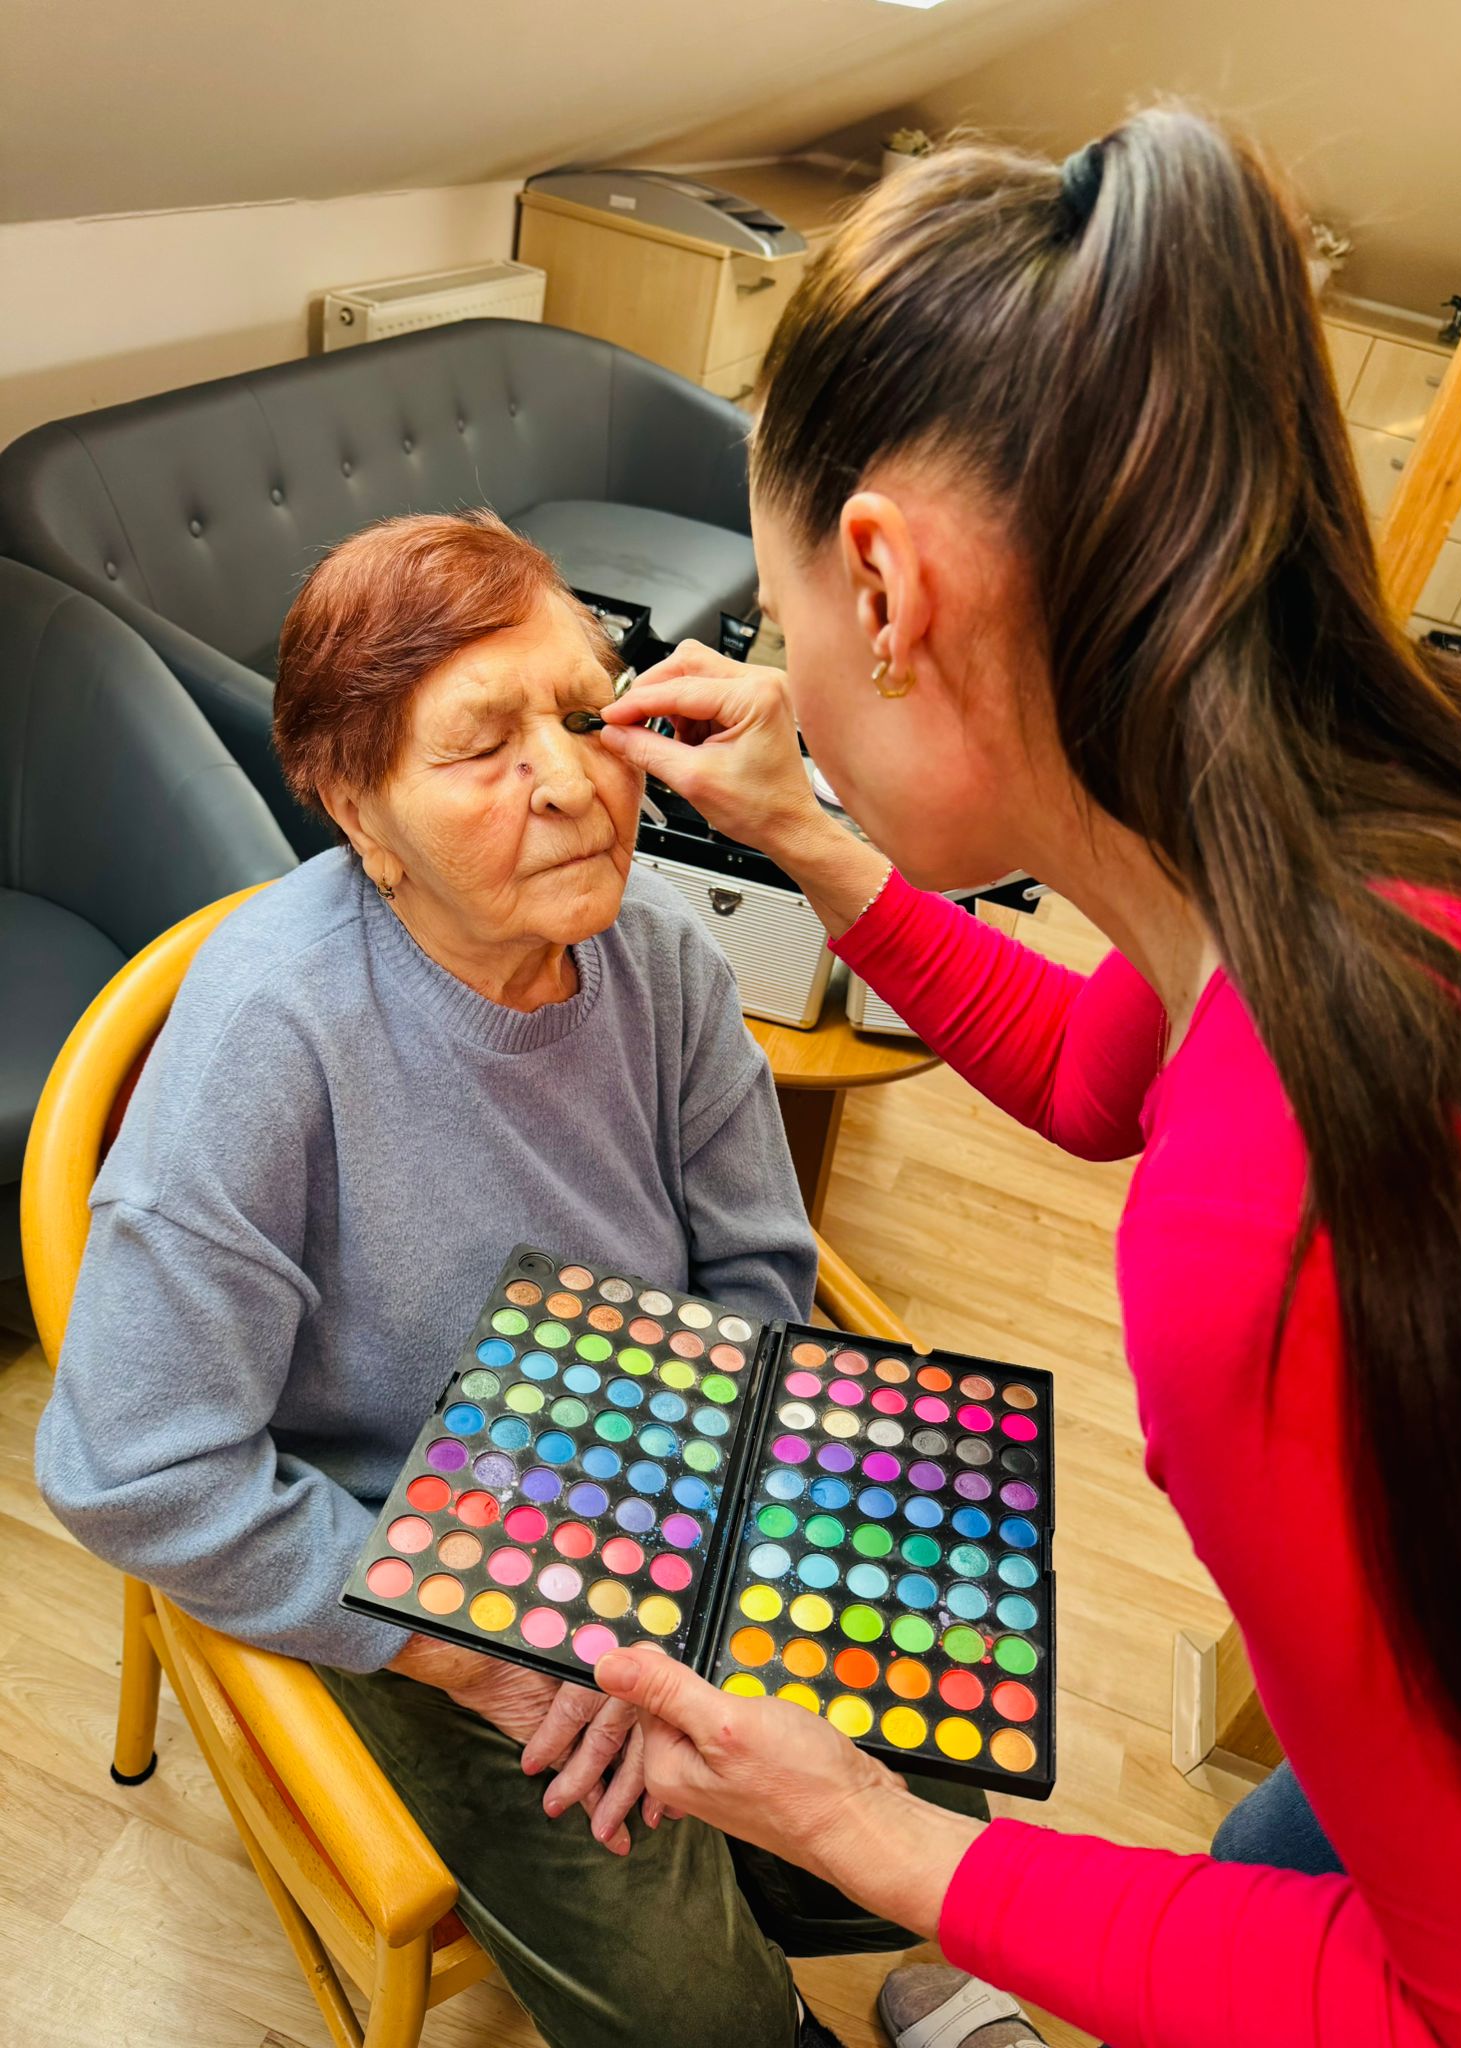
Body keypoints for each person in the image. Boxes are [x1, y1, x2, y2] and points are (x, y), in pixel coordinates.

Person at [582, 110, 1461, 2048]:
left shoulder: (1265, 1241)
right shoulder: (1342, 809)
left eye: (780, 608)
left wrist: (870, 1831)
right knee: (1269, 1848)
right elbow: (1099, 1076)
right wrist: (811, 827)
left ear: (883, 584)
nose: (785, 673)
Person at [34, 510, 985, 2048]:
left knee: (928, 1809)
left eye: (585, 714)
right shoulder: (273, 1033)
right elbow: (131, 1464)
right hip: (400, 1549)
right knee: (695, 2009)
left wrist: (676, 1558)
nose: (572, 782)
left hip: (660, 1475)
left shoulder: (658, 951)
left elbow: (755, 1264)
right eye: (482, 748)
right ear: (362, 810)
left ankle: (849, 1942)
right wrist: (478, 1648)